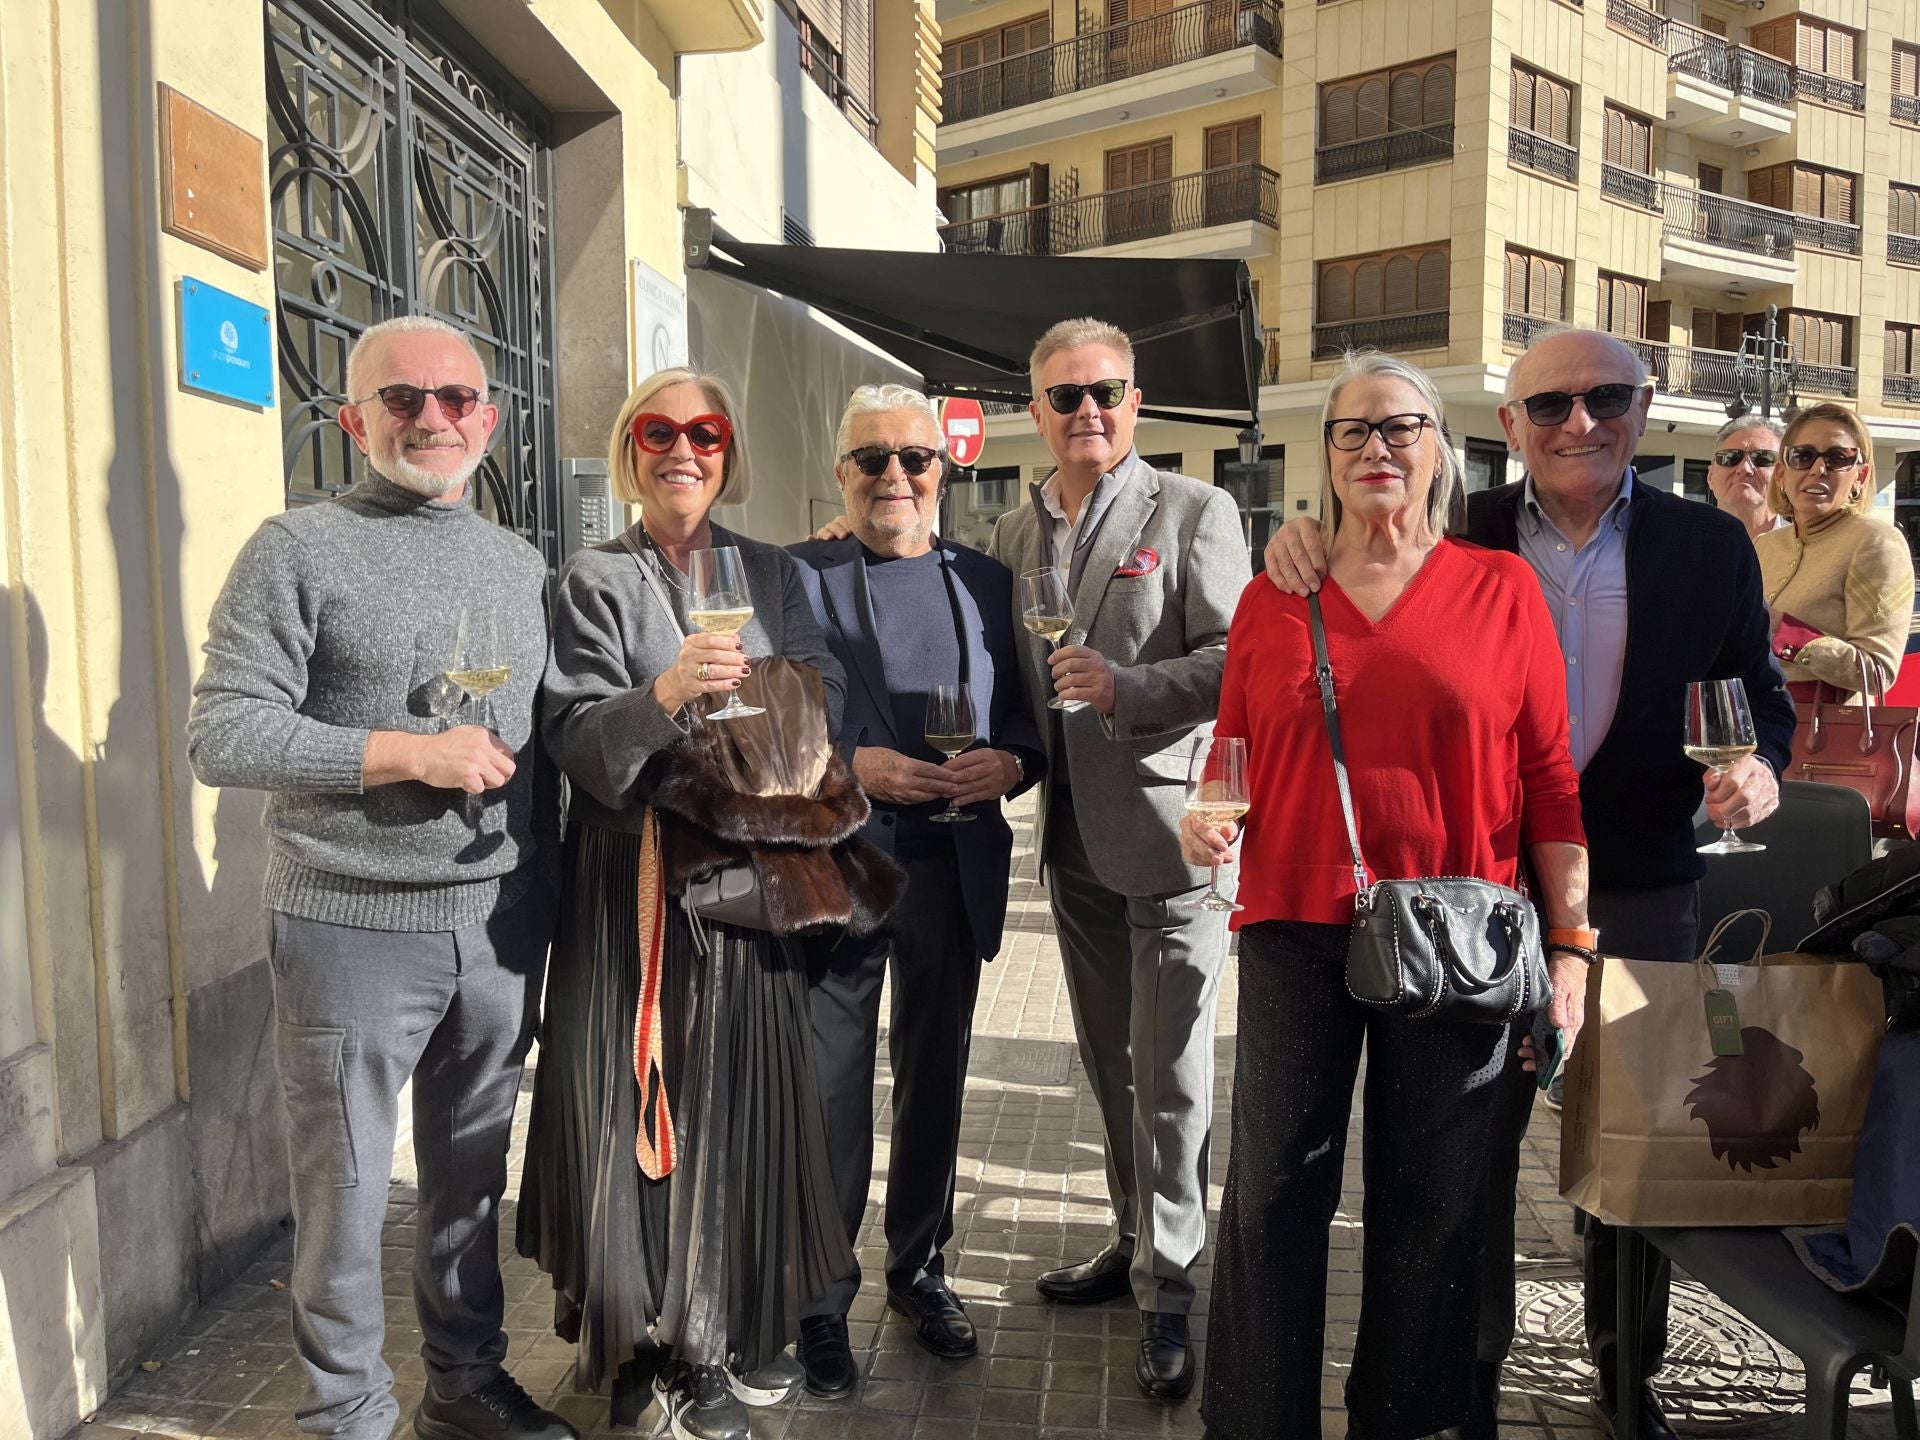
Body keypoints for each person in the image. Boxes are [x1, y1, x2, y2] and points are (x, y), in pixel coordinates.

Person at [1265, 326, 1795, 1440]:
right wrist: (1294, 540)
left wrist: (1760, 773)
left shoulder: (1710, 551)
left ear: (1643, 412)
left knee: (1628, 1150)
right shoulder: (1466, 525)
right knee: (1468, 1164)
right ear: (1508, 428)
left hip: (1643, 882)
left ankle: (1625, 1372)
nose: (1579, 425)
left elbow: (1762, 707)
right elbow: (1371, 534)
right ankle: (1462, 1387)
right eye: (1548, 407)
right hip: (1477, 898)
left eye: (1605, 400)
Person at [1186, 349, 1592, 1440]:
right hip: (1292, 929)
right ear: (1324, 457)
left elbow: (1552, 783)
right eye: (1353, 430)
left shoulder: (1501, 588)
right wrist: (1205, 813)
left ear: (1440, 450)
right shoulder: (1276, 596)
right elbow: (1230, 750)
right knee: (1273, 1196)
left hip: (1460, 937)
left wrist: (1572, 948)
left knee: (1434, 1209)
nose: (1377, 447)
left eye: (1401, 427)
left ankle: (1409, 1425)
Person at [186, 315, 575, 1440]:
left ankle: (461, 1384)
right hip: (349, 926)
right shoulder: (295, 548)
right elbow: (224, 735)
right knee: (348, 1198)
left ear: (489, 423)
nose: (431, 417)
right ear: (354, 418)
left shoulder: (517, 562)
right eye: (400, 399)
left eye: (456, 398)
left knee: (467, 1186)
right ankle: (344, 1415)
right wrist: (403, 754)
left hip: (498, 927)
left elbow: (549, 746)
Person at [515, 368, 858, 1440]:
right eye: (660, 432)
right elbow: (574, 734)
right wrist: (666, 695)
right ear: (630, 449)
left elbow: (823, 701)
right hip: (633, 887)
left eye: (704, 433)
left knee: (727, 1114)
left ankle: (710, 1340)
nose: (684, 451)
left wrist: (754, 714)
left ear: (727, 452)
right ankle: (630, 1345)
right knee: (625, 1113)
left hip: (744, 880)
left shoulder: (771, 571)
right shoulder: (592, 580)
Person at [989, 317, 1250, 1400]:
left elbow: (1241, 658)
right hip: (1073, 843)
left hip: (1176, 835)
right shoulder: (1010, 533)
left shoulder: (1196, 509)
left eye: (1107, 392)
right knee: (1108, 1067)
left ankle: (1176, 1289)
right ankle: (1134, 1237)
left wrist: (1129, 688)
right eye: (1066, 397)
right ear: (1038, 411)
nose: (1088, 411)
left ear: (1136, 402)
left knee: (1172, 1078)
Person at [786, 384, 1044, 1396]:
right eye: (870, 460)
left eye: (914, 459)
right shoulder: (796, 575)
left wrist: (1010, 766)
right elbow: (766, 720)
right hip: (841, 866)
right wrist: (852, 763)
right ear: (840, 473)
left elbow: (1025, 716)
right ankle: (820, 1297)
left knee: (934, 1082)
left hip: (952, 864)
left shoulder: (989, 580)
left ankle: (919, 1269)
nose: (894, 476)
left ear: (946, 469)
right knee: (834, 1094)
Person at [1757, 402, 1914, 703]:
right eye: (1802, 456)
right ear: (1780, 473)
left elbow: (1878, 672)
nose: (1818, 469)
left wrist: (1785, 631)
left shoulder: (1876, 542)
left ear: (1861, 476)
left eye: (1838, 458)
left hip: (1824, 736)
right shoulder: (1765, 545)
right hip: (1754, 728)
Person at [1705, 415, 1788, 541]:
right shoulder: (1681, 545)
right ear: (1710, 476)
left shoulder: (1807, 551)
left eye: (1762, 458)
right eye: (1730, 457)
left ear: (1784, 476)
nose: (1744, 468)